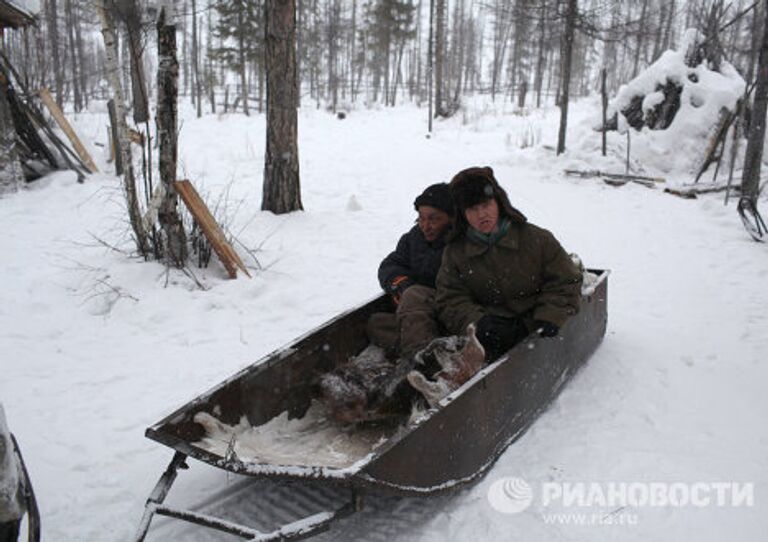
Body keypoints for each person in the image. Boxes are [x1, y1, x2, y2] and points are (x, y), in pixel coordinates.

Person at [436, 166, 582, 361]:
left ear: (499, 202)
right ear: (462, 214)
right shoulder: (455, 253)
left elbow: (565, 280)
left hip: (531, 326)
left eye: (486, 205)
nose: (482, 215)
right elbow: (449, 299)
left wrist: (549, 316)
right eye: (472, 209)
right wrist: (479, 323)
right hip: (487, 335)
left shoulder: (536, 239)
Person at [367, 182, 454, 360]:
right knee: (376, 323)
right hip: (416, 315)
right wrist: (400, 284)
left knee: (414, 296)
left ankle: (418, 362)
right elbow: (391, 265)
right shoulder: (414, 239)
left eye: (433, 219)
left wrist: (415, 295)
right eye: (421, 218)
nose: (425, 225)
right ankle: (431, 351)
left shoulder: (457, 244)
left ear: (450, 218)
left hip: (447, 312)